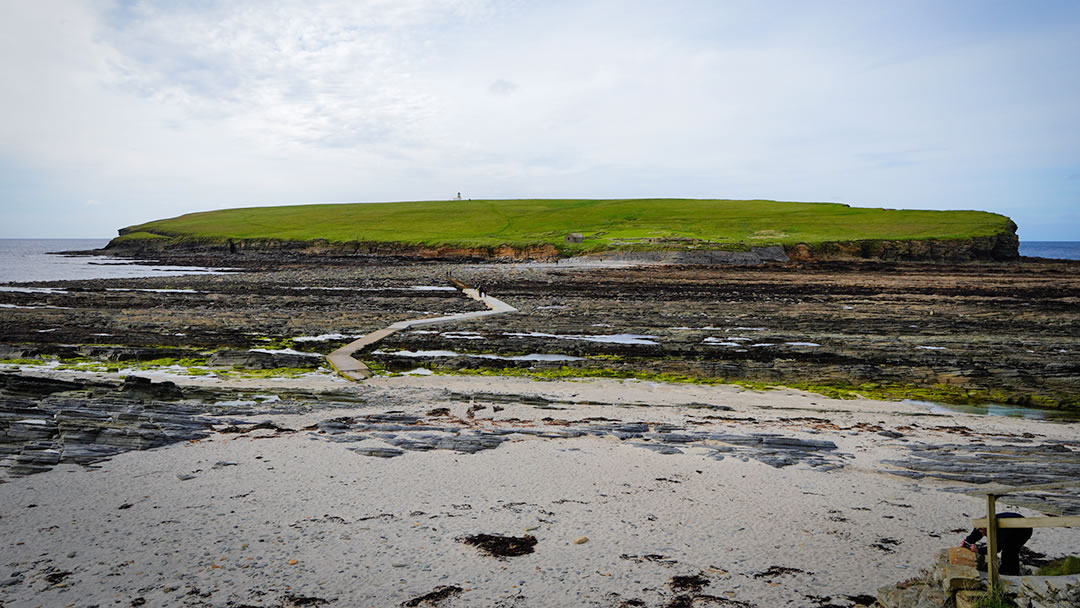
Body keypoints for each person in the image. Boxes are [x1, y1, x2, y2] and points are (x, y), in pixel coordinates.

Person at [961, 512, 1032, 575]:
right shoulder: (983, 524)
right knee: (1008, 551)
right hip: (1012, 522)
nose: (982, 534)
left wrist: (978, 550)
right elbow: (977, 533)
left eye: (983, 532)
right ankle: (1006, 571)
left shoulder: (1002, 531)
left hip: (1023, 530)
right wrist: (967, 542)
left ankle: (1010, 573)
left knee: (1009, 551)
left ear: (988, 528)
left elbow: (996, 548)